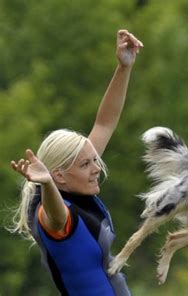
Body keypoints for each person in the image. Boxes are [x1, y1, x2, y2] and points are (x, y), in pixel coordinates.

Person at [9, 29, 143, 296]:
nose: (96, 168)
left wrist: (123, 67)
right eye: (85, 165)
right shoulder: (53, 216)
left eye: (94, 160)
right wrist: (46, 184)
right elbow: (57, 216)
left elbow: (105, 123)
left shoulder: (74, 189)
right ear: (59, 176)